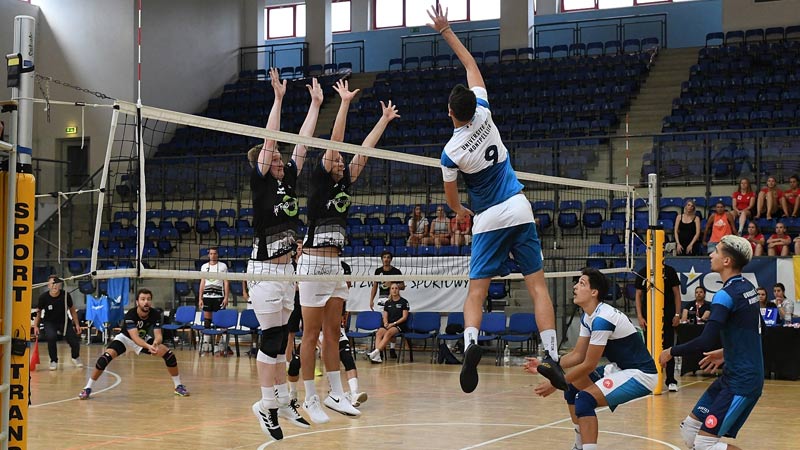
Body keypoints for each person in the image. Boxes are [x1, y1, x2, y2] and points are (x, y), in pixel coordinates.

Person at [426, 4, 566, 394]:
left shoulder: (450, 153)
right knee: (538, 287)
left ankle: (471, 344)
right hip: (519, 207)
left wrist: (460, 212)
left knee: (476, 291)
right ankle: (551, 353)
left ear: (450, 113)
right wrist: (447, 30)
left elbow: (452, 199)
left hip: (487, 216)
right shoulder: (485, 113)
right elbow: (471, 64)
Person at [297, 78, 399, 423]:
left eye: (342, 160)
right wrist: (343, 103)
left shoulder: (345, 180)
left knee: (332, 333)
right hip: (312, 263)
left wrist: (383, 120)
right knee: (309, 335)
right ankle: (310, 396)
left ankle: (336, 394)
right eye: (337, 159)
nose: (341, 161)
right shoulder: (322, 176)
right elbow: (336, 142)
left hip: (336, 265)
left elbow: (364, 152)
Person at [247, 67, 319, 440]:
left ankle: (276, 400)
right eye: (272, 157)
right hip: (263, 270)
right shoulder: (261, 180)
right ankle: (265, 405)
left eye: (278, 159)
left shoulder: (287, 177)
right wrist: (278, 99)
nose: (279, 160)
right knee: (270, 337)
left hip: (287, 270)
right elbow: (271, 141)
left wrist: (316, 104)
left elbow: (303, 144)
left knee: (281, 340)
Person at [525, 268, 657, 450]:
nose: (575, 287)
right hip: (621, 369)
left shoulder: (603, 318)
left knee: (584, 399)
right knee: (571, 388)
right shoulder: (589, 316)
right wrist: (544, 366)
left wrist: (555, 383)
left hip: (641, 375)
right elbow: (578, 355)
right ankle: (579, 446)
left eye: (582, 283)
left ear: (594, 292)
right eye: (577, 283)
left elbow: (589, 364)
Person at [659, 235, 762, 450]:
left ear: (727, 261)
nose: (711, 254)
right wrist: (726, 352)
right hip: (731, 376)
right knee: (689, 432)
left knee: (705, 444)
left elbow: (705, 341)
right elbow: (761, 330)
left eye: (716, 251)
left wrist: (671, 351)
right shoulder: (748, 287)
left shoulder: (725, 295)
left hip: (742, 382)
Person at [79, 288, 189, 399]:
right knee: (105, 358)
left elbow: (158, 335)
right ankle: (87, 388)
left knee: (168, 354)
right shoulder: (131, 315)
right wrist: (148, 346)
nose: (146, 302)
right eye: (143, 299)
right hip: (125, 339)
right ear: (137, 302)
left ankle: (178, 386)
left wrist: (155, 343)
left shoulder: (155, 314)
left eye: (148, 299)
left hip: (143, 339)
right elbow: (135, 338)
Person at [634, 262, 681, 392]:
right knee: (649, 348)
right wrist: (639, 316)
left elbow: (677, 293)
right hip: (649, 317)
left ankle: (671, 380)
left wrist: (677, 314)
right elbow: (638, 295)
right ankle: (649, 381)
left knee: (669, 346)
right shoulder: (643, 272)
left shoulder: (670, 271)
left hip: (667, 316)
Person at [32, 275, 82, 370]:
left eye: (57, 284)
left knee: (74, 341)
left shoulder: (66, 295)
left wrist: (77, 324)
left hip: (64, 322)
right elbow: (38, 312)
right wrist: (35, 326)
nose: (54, 286)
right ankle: (53, 360)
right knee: (51, 337)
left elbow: (72, 310)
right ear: (48, 285)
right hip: (49, 322)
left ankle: (75, 357)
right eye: (52, 284)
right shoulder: (43, 298)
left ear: (60, 285)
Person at [368, 250, 405, 358]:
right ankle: (379, 351)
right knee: (382, 326)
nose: (386, 259)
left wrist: (392, 283)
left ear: (391, 259)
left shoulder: (396, 271)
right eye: (384, 257)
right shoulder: (378, 271)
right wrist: (371, 299)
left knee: (391, 325)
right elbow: (374, 286)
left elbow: (402, 286)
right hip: (381, 301)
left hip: (392, 300)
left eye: (388, 257)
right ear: (382, 259)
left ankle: (392, 349)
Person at [367, 282, 410, 363]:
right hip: (389, 324)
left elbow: (404, 317)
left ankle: (375, 353)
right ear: (390, 290)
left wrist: (393, 324)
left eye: (396, 288)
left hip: (399, 324)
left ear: (399, 290)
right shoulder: (387, 303)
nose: (394, 290)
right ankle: (378, 357)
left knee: (388, 333)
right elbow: (385, 316)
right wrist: (386, 323)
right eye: (392, 288)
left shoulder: (404, 302)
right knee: (379, 333)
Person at [198, 246, 230, 354]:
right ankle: (207, 344)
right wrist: (200, 298)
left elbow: (226, 282)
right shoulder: (204, 267)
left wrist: (226, 297)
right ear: (208, 255)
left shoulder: (223, 266)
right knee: (207, 321)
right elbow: (202, 283)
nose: (213, 255)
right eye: (211, 253)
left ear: (217, 254)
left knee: (220, 321)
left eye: (215, 253)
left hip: (218, 297)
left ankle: (217, 343)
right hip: (207, 297)